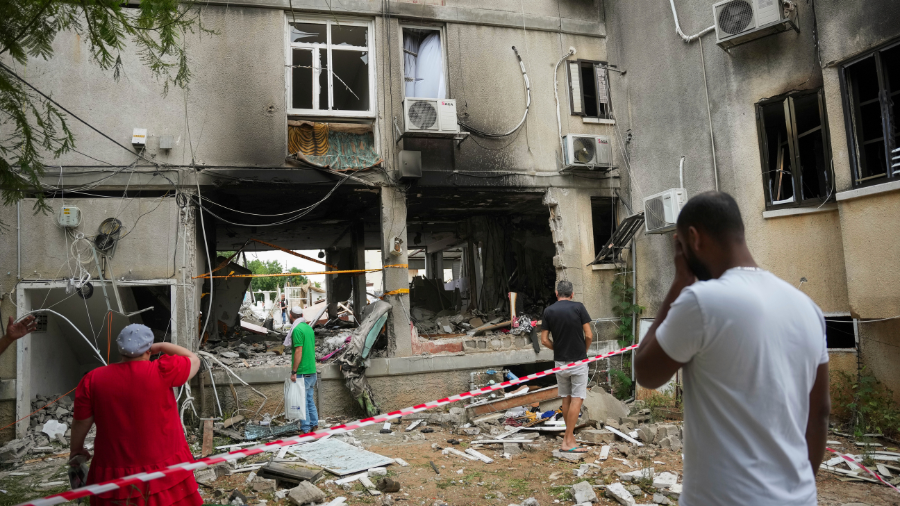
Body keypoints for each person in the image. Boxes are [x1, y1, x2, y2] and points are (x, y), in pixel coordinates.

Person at [634, 191, 830, 506]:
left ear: (694, 239)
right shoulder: (808, 308)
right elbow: (819, 413)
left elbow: (646, 372)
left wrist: (679, 282)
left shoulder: (701, 301)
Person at [69, 324, 203, 506]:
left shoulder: (93, 379)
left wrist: (76, 450)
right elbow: (193, 359)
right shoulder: (163, 370)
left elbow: (80, 423)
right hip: (164, 465)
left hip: (114, 469)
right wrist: (162, 346)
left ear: (120, 349)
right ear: (149, 349)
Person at [540, 280, 593, 454]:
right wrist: (583, 351)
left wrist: (558, 348)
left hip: (560, 363)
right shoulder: (578, 307)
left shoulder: (548, 311)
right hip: (578, 361)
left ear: (556, 293)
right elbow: (589, 335)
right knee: (578, 398)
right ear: (572, 294)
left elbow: (544, 340)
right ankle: (567, 440)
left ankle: (569, 438)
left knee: (566, 398)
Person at [287, 306, 318, 433]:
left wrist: (294, 371)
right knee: (309, 399)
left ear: (291, 315)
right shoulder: (308, 328)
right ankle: (314, 424)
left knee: (302, 401)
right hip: (312, 371)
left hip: (303, 372)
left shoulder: (297, 329)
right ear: (301, 315)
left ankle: (306, 428)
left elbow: (298, 351)